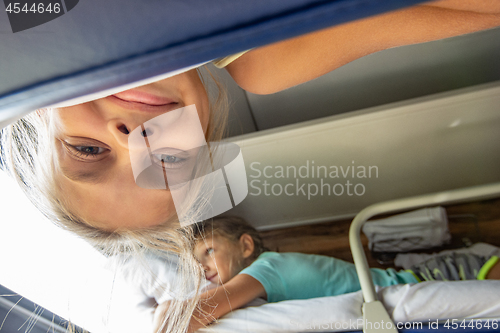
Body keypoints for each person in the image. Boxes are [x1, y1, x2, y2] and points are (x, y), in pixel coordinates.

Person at [0, 2, 499, 332]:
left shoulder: (38, 20)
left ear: (32, 110)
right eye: (167, 161)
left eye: (87, 152)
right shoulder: (263, 59)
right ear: (205, 124)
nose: (133, 141)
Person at [186, 216, 500, 332]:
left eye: (209, 251)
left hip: (432, 276)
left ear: (245, 246)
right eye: (197, 264)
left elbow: (196, 314)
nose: (203, 268)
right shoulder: (264, 278)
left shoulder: (266, 269)